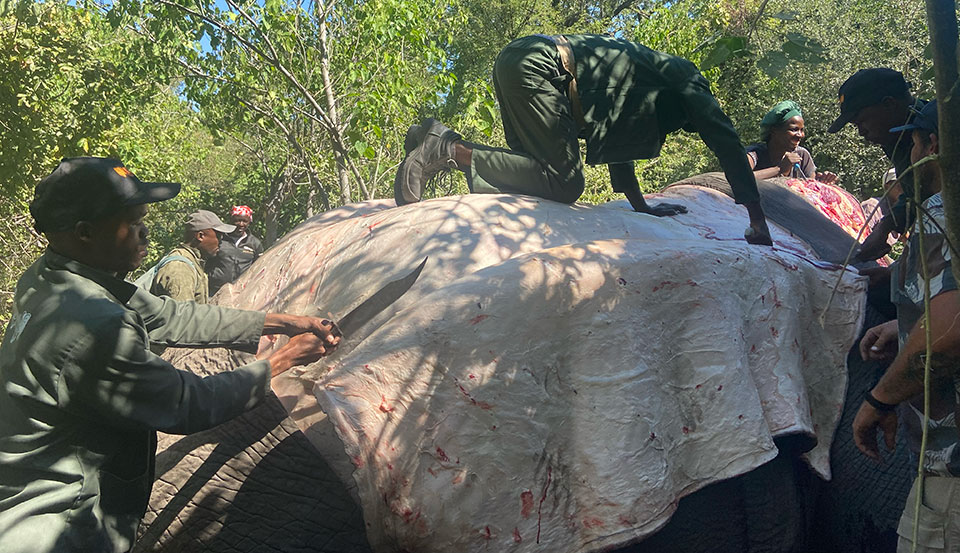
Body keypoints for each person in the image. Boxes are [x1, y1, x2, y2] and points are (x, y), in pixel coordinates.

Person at [0, 157, 340, 553]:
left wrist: (283, 322)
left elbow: (170, 315)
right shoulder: (92, 325)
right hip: (54, 528)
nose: (145, 232)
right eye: (132, 222)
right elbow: (188, 403)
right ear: (84, 233)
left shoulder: (52, 277)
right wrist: (284, 360)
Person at [395, 34, 773, 246]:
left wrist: (640, 206)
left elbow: (617, 139)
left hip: (522, 59)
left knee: (534, 171)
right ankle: (445, 148)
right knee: (564, 182)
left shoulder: (644, 77)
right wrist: (757, 220)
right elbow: (724, 139)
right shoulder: (686, 79)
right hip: (543, 68)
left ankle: (430, 139)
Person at [851, 101, 960, 552]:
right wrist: (906, 324)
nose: (910, 155)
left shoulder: (946, 215)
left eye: (912, 143)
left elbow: (951, 330)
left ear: (931, 144)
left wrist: (879, 399)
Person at [826, 68, 926, 262]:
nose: (861, 132)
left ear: (889, 104)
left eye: (862, 122)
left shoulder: (940, 133)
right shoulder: (895, 137)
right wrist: (887, 225)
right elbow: (916, 192)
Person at [151, 209, 234, 304]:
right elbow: (183, 316)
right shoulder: (181, 268)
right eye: (218, 237)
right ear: (200, 236)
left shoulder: (193, 261)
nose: (221, 242)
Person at [745, 100, 837, 183]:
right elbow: (738, 179)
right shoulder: (754, 154)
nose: (800, 135)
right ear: (774, 131)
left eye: (802, 130)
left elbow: (810, 187)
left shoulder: (802, 155)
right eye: (794, 130)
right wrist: (779, 169)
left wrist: (821, 182)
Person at [207, 205, 264, 296]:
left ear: (249, 222)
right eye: (237, 220)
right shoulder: (220, 239)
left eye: (245, 221)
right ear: (231, 220)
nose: (241, 224)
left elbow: (259, 266)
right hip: (215, 290)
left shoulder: (255, 243)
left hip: (241, 292)